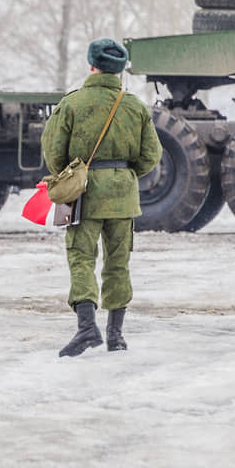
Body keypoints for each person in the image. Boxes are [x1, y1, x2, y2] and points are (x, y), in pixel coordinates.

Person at [41, 38, 162, 358]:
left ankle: (86, 328)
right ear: (120, 70)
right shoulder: (135, 106)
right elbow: (152, 154)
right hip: (123, 193)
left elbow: (54, 155)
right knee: (118, 262)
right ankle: (116, 335)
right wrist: (124, 173)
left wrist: (75, 174)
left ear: (91, 65)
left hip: (84, 193)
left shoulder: (72, 103)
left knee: (81, 256)